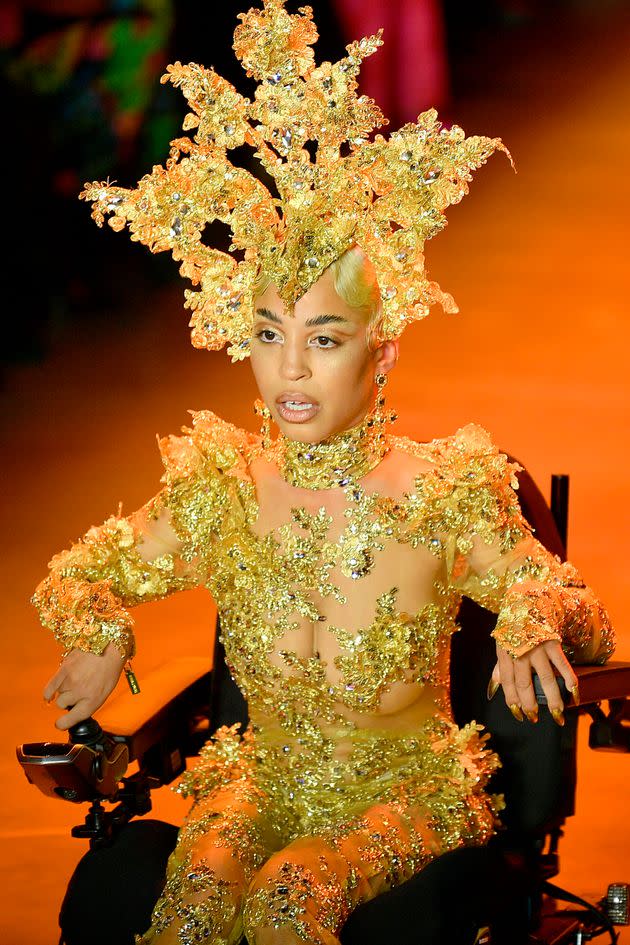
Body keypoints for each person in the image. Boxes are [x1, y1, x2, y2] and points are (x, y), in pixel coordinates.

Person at [32, 3, 614, 943]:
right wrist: (100, 621)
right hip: (256, 779)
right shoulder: (222, 487)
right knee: (186, 913)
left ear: (379, 355)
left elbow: (589, 622)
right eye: (269, 335)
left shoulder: (442, 490)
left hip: (408, 790)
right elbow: (77, 570)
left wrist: (529, 612)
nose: (290, 371)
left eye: (325, 339)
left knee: (289, 895)